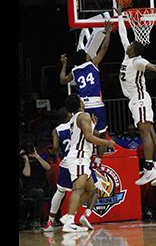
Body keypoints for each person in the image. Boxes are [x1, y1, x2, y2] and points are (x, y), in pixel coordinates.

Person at [113, 1, 156, 186]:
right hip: (135, 101)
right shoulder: (126, 54)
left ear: (134, 50)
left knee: (144, 133)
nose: (128, 44)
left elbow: (149, 65)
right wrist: (120, 15)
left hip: (139, 99)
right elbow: (122, 33)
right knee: (149, 132)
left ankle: (149, 169)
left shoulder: (138, 60)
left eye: (130, 45)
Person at [60, 20, 114, 178]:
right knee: (103, 134)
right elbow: (104, 48)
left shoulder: (75, 71)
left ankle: (89, 162)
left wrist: (64, 64)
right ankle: (97, 163)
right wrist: (108, 32)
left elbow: (62, 80)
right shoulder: (93, 63)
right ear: (85, 58)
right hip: (96, 102)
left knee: (89, 135)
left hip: (82, 106)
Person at [62, 93, 116, 232]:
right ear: (80, 103)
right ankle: (69, 221)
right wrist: (107, 142)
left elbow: (89, 134)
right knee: (78, 189)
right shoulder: (84, 116)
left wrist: (93, 126)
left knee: (91, 190)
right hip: (79, 156)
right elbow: (89, 137)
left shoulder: (76, 117)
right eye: (81, 99)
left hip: (82, 158)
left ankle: (70, 216)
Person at [43, 107, 99, 232]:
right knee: (93, 188)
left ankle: (50, 223)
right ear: (70, 114)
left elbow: (56, 147)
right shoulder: (77, 122)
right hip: (80, 158)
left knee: (60, 191)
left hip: (66, 161)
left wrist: (60, 156)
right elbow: (91, 136)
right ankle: (85, 214)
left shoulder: (56, 130)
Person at [19, 142, 52, 229]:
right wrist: (26, 159)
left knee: (59, 191)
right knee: (39, 193)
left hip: (43, 188)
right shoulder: (22, 163)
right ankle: (37, 220)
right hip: (29, 190)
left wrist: (37, 156)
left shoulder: (38, 161)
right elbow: (27, 174)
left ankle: (54, 218)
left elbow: (48, 167)